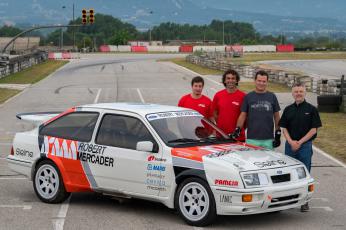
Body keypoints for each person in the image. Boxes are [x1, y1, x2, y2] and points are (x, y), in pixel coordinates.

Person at [279, 82, 322, 212]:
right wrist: (291, 142)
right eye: (296, 91)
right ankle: (287, 200)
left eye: (301, 91)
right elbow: (284, 128)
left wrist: (299, 143)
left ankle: (305, 201)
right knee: (288, 174)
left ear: (305, 93)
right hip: (290, 146)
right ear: (292, 93)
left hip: (305, 146)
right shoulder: (288, 109)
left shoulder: (311, 109)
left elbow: (313, 130)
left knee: (305, 174)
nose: (298, 94)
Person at [232, 70, 281, 149]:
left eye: (264, 81)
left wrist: (278, 133)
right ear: (255, 81)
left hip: (268, 139)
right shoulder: (248, 97)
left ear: (267, 82)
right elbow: (243, 115)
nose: (261, 83)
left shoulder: (272, 96)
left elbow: (276, 117)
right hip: (252, 139)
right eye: (259, 81)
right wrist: (237, 129)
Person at [212, 69, 246, 141]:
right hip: (221, 136)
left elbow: (246, 117)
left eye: (233, 78)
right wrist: (221, 124)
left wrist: (239, 129)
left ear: (237, 81)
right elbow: (214, 113)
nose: (230, 80)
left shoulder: (243, 96)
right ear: (224, 81)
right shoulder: (218, 95)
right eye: (228, 78)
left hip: (238, 137)